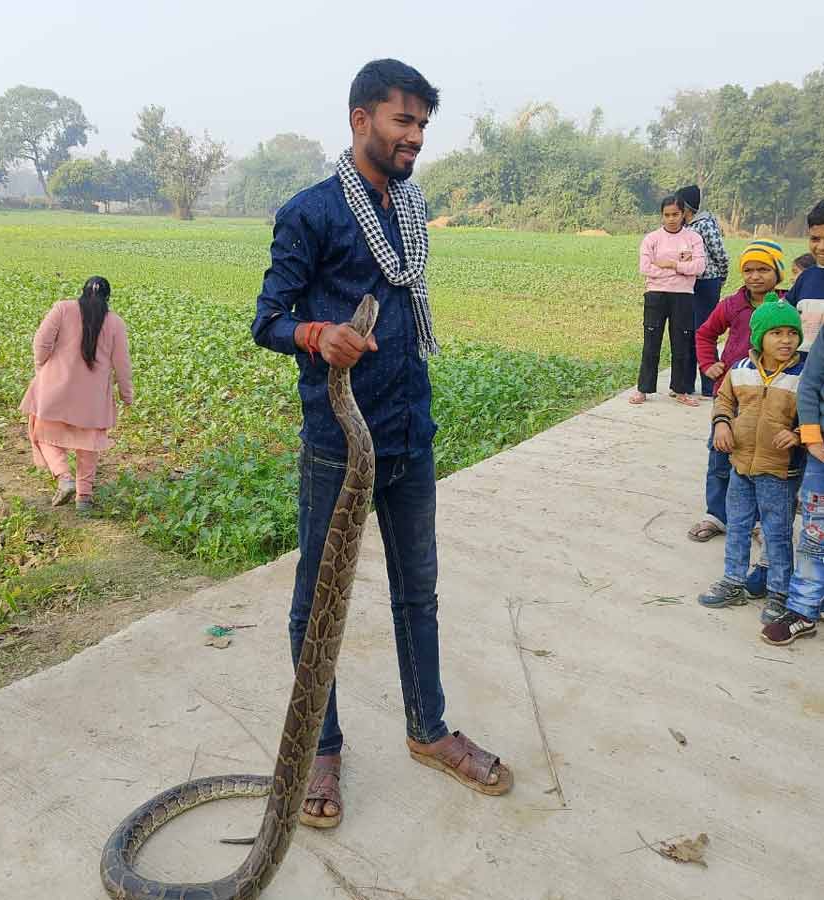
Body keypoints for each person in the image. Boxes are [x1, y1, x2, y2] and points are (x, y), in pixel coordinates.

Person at [251, 59, 513, 829]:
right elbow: (267, 317)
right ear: (361, 118)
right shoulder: (311, 212)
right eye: (404, 121)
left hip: (409, 432)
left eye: (424, 124)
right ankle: (320, 748)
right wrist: (315, 332)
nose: (416, 137)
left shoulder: (409, 208)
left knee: (417, 592)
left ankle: (427, 729)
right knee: (314, 606)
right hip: (339, 440)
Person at [697, 297, 804, 623]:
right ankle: (733, 581)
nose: (785, 340)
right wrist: (722, 424)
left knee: (776, 531)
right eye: (776, 333)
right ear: (759, 337)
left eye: (791, 333)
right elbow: (724, 401)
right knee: (739, 526)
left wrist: (798, 434)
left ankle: (778, 593)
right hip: (740, 465)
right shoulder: (740, 370)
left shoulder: (804, 375)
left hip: (779, 470)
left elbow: (818, 413)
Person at [688, 241, 786, 544]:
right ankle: (717, 515)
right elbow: (705, 333)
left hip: (771, 396)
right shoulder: (732, 304)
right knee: (720, 455)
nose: (755, 276)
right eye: (748, 270)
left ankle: (757, 520)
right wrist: (709, 364)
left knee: (762, 457)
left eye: (763, 269)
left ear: (778, 273)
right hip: (731, 395)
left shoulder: (786, 305)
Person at [19, 276, 132, 515]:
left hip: (54, 389)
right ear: (107, 298)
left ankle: (63, 477)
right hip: (93, 400)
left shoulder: (62, 308)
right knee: (88, 445)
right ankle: (84, 498)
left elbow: (41, 342)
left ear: (82, 293)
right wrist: (126, 394)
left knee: (42, 434)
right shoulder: (115, 323)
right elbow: (123, 364)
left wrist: (42, 368)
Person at [761, 307, 824, 645]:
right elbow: (811, 383)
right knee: (816, 533)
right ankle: (803, 608)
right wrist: (811, 434)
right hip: (821, 452)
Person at [631, 195, 706, 406]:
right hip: (655, 295)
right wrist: (681, 271)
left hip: (683, 297)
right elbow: (646, 269)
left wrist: (670, 265)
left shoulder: (693, 239)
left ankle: (680, 390)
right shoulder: (651, 239)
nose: (671, 219)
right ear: (661, 216)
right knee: (651, 343)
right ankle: (643, 390)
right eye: (667, 215)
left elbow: (699, 268)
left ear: (683, 214)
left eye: (676, 214)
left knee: (681, 343)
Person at [678, 184, 729, 398]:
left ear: (687, 208)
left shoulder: (705, 225)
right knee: (688, 332)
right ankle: (686, 384)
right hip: (689, 285)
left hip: (707, 283)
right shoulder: (684, 228)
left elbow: (720, 254)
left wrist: (720, 278)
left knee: (704, 332)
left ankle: (710, 387)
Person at [786, 201, 824, 358]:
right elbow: (783, 317)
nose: (821, 247)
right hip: (800, 374)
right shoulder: (806, 278)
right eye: (815, 239)